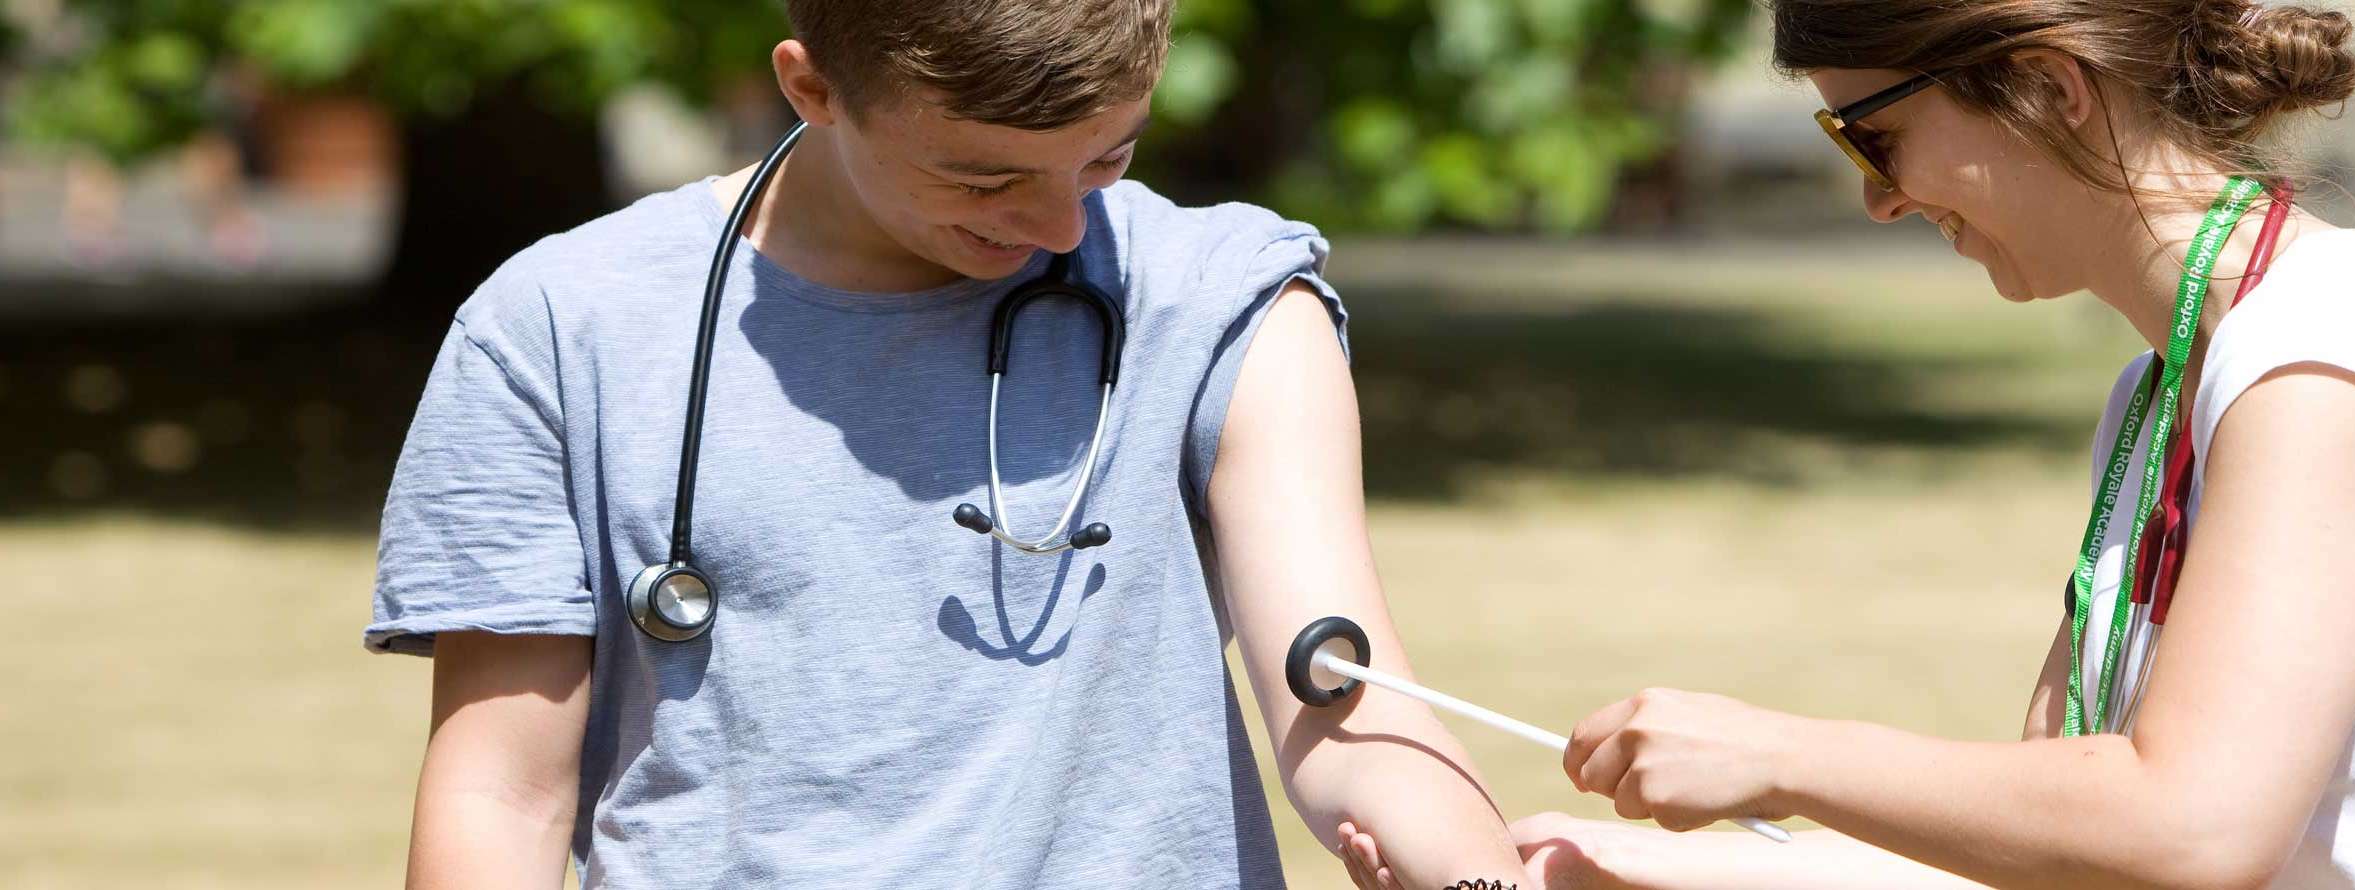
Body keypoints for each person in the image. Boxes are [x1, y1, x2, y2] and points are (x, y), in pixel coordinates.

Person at [1336, 1, 2355, 887]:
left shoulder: (2327, 354)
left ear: (2045, 88)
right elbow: (2069, 851)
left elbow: (2196, 825)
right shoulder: (2163, 391)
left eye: (1874, 133)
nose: (1874, 197)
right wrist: (1681, 868)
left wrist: (1777, 752)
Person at [367, 1, 1531, 887]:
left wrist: (1489, 880)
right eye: (986, 177)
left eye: (1109, 156)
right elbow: (501, 797)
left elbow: (1350, 706)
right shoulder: (558, 329)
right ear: (812, 87)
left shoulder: (1232, 303)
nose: (1061, 223)